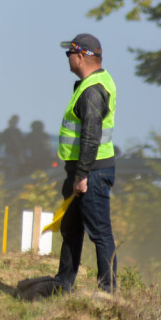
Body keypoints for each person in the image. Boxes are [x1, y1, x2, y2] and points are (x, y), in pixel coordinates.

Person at [53, 33, 118, 294]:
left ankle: (108, 291)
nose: (66, 57)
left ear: (81, 56)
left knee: (100, 232)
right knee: (71, 229)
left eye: (69, 53)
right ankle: (63, 283)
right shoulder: (88, 84)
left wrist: (81, 176)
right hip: (81, 170)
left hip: (92, 172)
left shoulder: (92, 91)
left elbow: (91, 137)